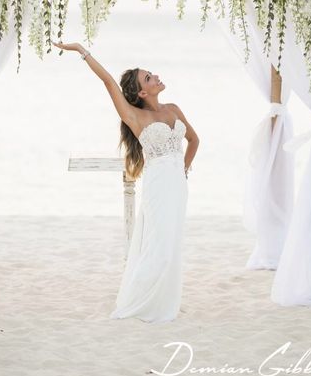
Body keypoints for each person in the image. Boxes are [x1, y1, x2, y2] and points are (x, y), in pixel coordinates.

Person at [53, 41, 200, 323]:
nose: (155, 76)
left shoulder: (174, 110)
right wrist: (82, 51)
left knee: (172, 244)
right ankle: (141, 303)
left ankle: (163, 300)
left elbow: (194, 140)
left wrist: (183, 168)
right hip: (158, 186)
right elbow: (109, 82)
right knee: (158, 245)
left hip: (177, 185)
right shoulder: (136, 117)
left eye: (151, 74)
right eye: (148, 78)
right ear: (143, 92)